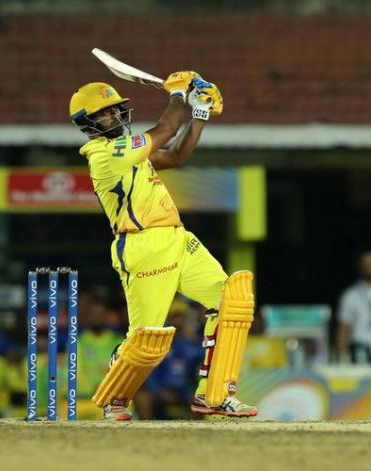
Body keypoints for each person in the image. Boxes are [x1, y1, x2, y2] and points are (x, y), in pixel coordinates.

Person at [69, 73, 257, 420]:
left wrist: (199, 113)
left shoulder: (132, 152)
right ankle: (115, 397)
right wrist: (178, 94)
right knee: (148, 340)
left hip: (178, 239)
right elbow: (166, 129)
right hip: (142, 247)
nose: (113, 116)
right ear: (87, 123)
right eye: (103, 114)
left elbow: (176, 155)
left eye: (114, 110)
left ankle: (214, 395)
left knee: (233, 301)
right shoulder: (106, 155)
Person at [135, 299, 203, 419]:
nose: (178, 321)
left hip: (185, 390)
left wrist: (193, 340)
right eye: (174, 317)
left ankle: (199, 428)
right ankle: (145, 427)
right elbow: (150, 371)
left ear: (186, 318)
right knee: (142, 397)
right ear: (168, 318)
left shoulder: (194, 342)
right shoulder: (158, 342)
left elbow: (202, 364)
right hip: (161, 389)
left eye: (181, 316)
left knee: (200, 397)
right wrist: (159, 390)